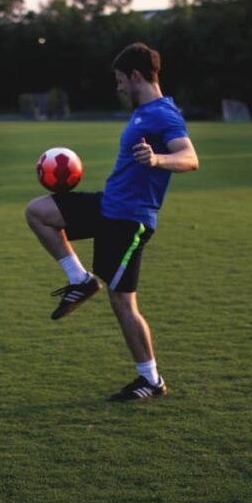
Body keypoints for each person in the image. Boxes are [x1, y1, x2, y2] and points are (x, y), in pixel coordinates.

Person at [25, 42, 199, 401]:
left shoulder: (164, 114)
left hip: (129, 220)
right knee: (38, 212)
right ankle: (80, 279)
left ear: (136, 76)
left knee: (123, 304)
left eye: (120, 79)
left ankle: (151, 380)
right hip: (109, 206)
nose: (118, 86)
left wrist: (157, 161)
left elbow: (190, 157)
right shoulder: (142, 112)